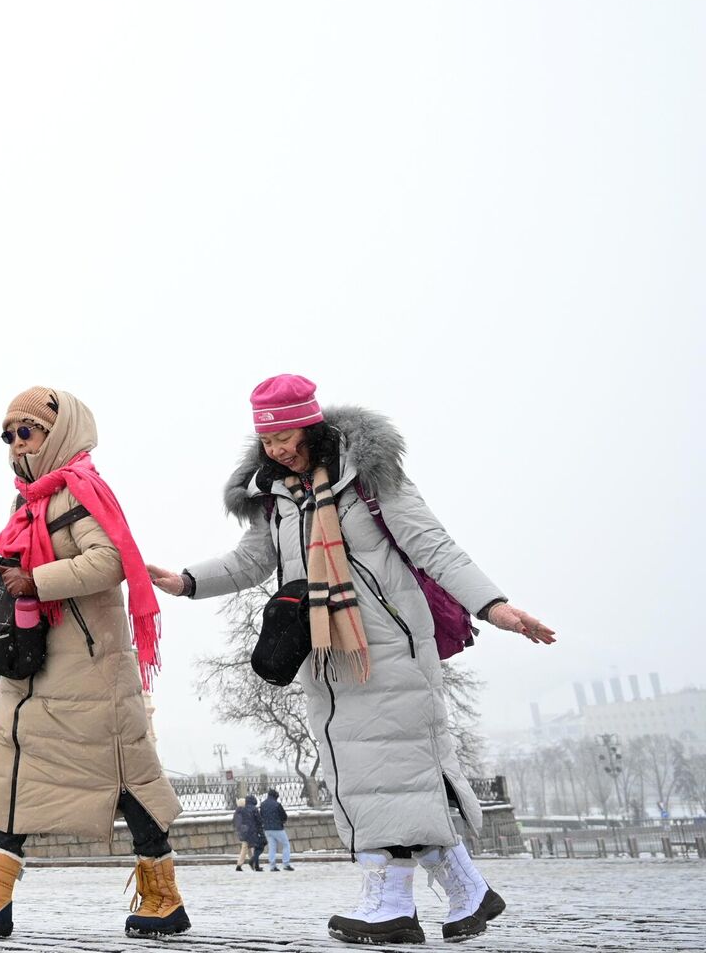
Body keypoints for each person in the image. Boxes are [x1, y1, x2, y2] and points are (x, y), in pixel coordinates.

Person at [148, 375, 556, 945]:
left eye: (286, 435)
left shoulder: (368, 477)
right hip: (325, 650)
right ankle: (465, 889)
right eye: (268, 441)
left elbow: (431, 544)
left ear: (309, 424)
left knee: (399, 769)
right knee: (360, 772)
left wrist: (494, 605)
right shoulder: (276, 498)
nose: (279, 449)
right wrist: (189, 580)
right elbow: (252, 560)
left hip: (388, 645)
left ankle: (389, 903)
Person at [0, 387, 190, 940]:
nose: (17, 444)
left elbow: (112, 560)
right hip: (38, 661)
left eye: (28, 431)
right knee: (13, 765)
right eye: (9, 435)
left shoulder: (78, 492)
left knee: (124, 779)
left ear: (59, 432)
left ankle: (163, 897)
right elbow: (17, 574)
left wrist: (36, 579)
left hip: (87, 667)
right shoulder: (31, 502)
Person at [261, 788, 293, 871]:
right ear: (275, 796)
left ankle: (272, 865)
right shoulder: (277, 805)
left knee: (272, 847)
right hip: (277, 828)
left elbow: (261, 816)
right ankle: (286, 864)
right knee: (286, 844)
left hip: (267, 829)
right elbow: (284, 816)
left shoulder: (263, 804)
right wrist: (282, 821)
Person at [235, 794, 265, 871]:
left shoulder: (242, 810)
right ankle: (239, 865)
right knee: (249, 848)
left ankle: (253, 865)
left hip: (245, 831)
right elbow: (258, 821)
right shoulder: (253, 809)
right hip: (251, 831)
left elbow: (239, 823)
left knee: (249, 849)